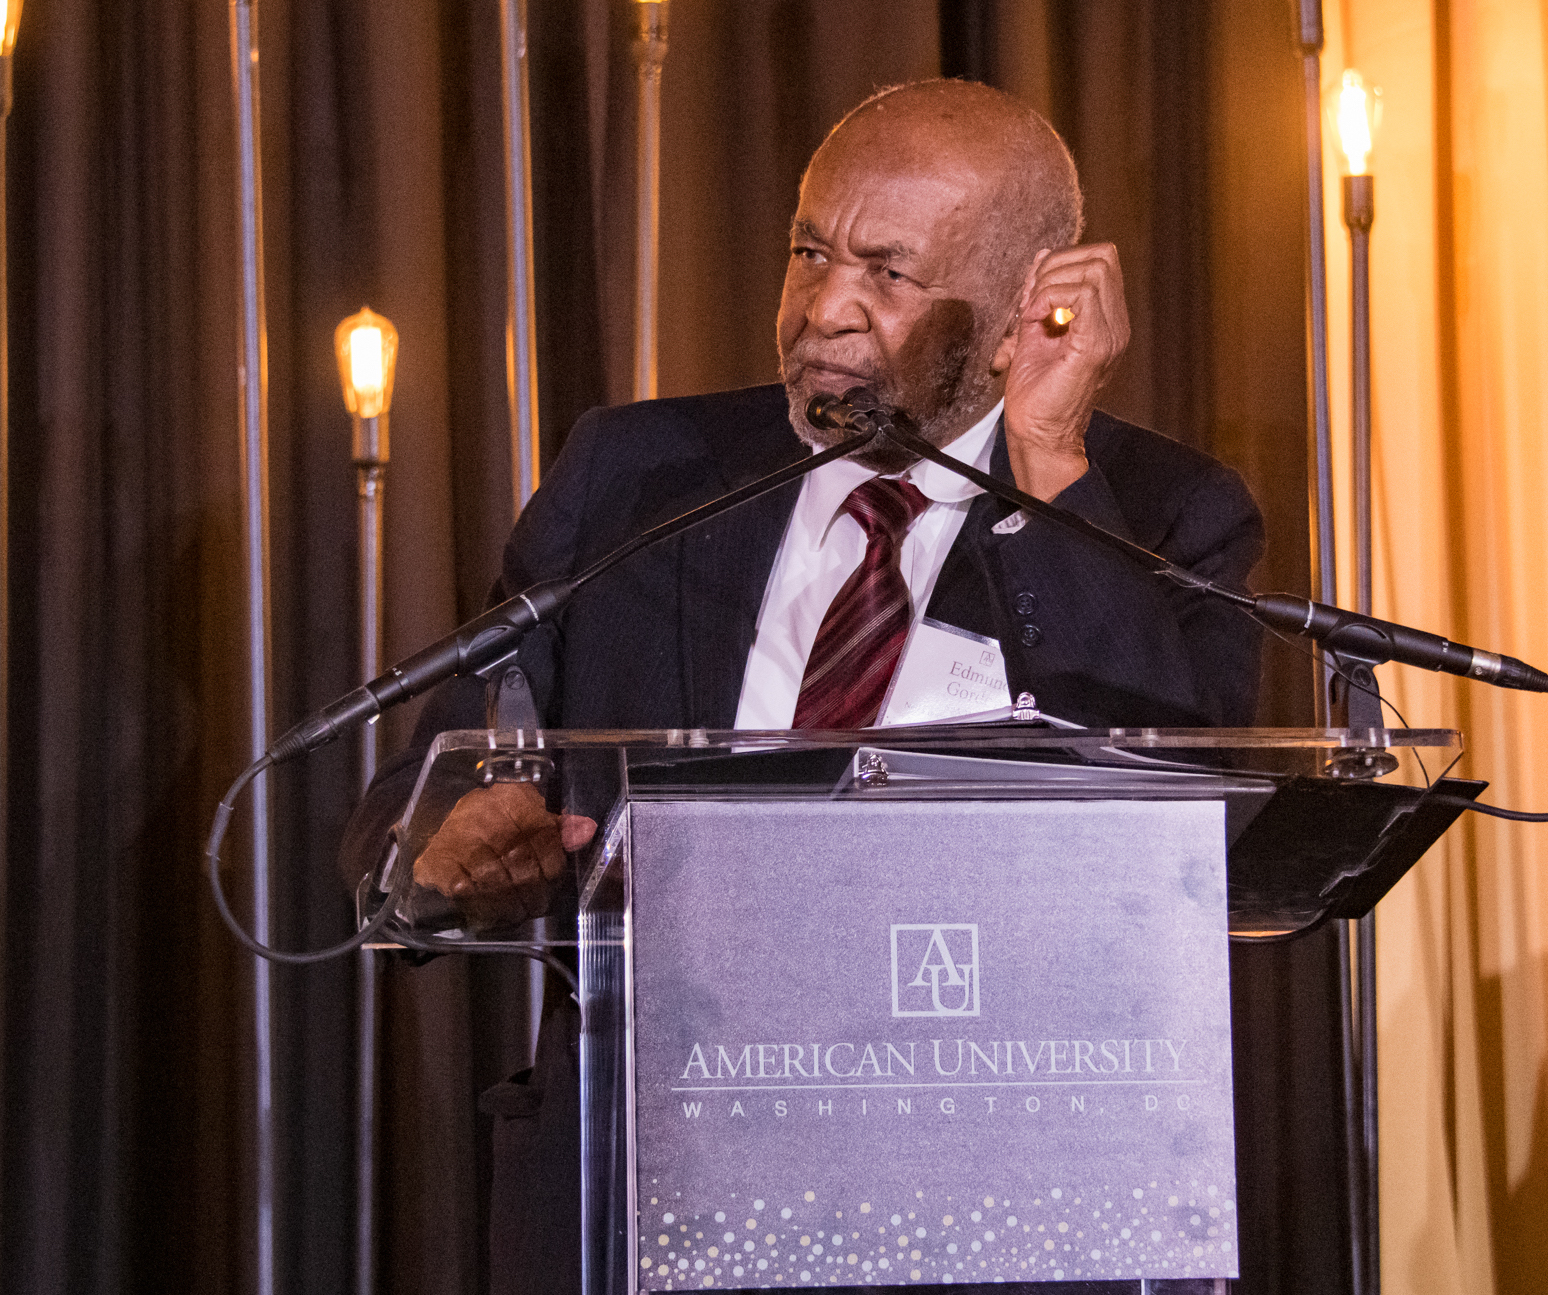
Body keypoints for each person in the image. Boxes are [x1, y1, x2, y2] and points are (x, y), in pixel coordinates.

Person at [344, 79, 1264, 1295]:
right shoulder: (636, 475)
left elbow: (1190, 836)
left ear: (1026, 304)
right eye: (809, 250)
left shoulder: (1160, 515)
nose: (825, 306)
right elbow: (427, 782)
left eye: (888, 272)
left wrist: (1046, 470)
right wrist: (445, 847)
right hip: (647, 1197)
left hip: (1005, 1208)